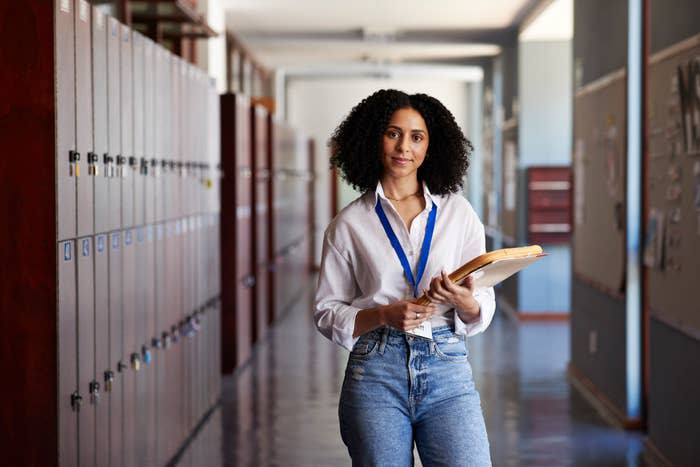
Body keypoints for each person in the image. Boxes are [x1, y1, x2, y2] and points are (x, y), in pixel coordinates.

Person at [314, 89, 495, 466]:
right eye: (393, 133)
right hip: (375, 370)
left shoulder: (458, 213)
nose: (404, 147)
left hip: (447, 367)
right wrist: (382, 315)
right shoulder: (349, 224)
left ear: (432, 146)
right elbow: (327, 310)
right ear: (373, 137)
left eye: (416, 137)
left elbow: (484, 298)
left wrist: (465, 301)